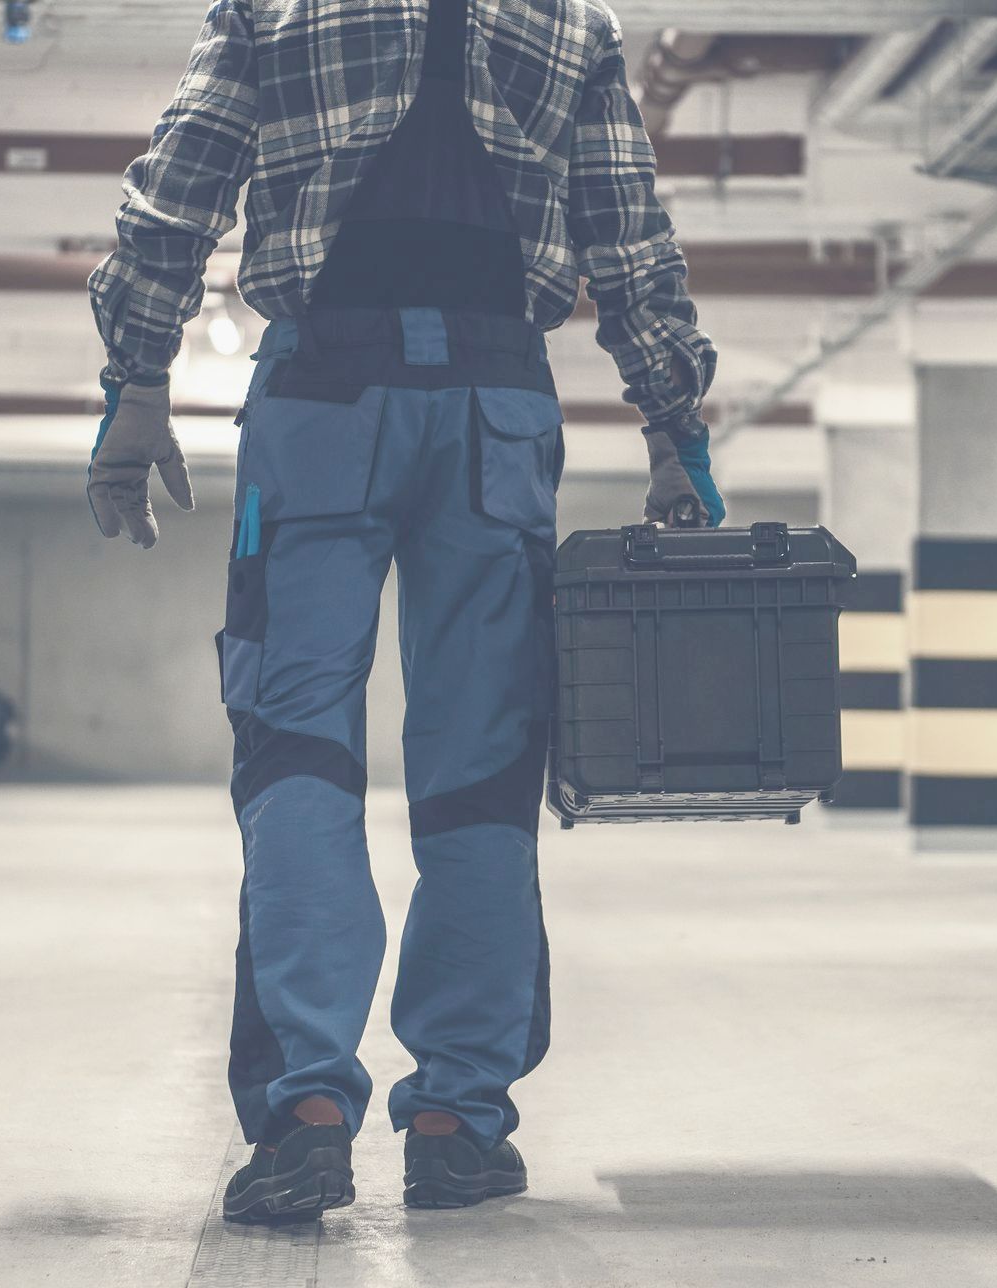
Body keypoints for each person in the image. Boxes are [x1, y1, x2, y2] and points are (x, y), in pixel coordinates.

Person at [86, 0, 721, 1224]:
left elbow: (181, 182)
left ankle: (307, 1116)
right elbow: (630, 233)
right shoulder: (570, 20)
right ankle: (456, 1122)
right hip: (497, 405)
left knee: (298, 747)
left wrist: (135, 379)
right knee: (483, 763)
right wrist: (674, 430)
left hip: (324, 396)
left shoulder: (277, 5)